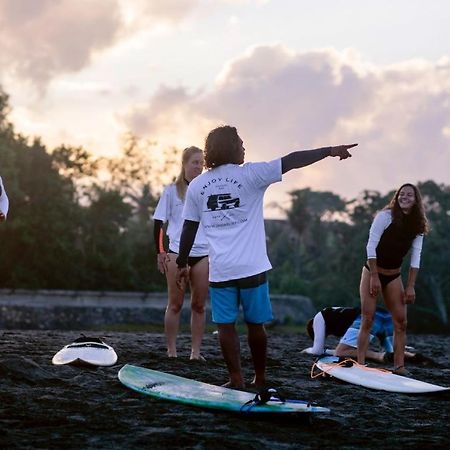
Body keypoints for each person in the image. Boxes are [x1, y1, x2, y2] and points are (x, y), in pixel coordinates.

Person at [176, 125, 357, 388]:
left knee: (225, 327)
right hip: (251, 268)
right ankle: (259, 377)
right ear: (230, 147)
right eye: (240, 143)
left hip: (222, 269)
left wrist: (182, 263)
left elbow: (189, 226)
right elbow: (293, 160)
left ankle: (235, 379)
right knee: (255, 325)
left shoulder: (198, 185)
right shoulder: (252, 174)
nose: (244, 147)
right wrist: (329, 151)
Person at [357, 183, 428, 376]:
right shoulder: (385, 217)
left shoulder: (418, 225)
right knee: (368, 319)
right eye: (401, 194)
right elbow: (371, 246)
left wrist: (411, 286)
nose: (404, 197)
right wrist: (374, 277)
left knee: (401, 322)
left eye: (409, 195)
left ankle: (399, 367)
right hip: (372, 272)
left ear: (416, 200)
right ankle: (360, 364)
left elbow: (416, 256)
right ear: (396, 197)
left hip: (394, 275)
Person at [153, 146, 209, 360]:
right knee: (175, 304)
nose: (199, 166)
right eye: (195, 162)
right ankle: (172, 350)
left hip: (203, 254)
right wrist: (160, 253)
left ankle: (195, 352)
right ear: (184, 164)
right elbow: (159, 223)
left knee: (199, 305)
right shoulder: (170, 191)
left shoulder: (206, 190)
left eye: (202, 163)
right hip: (176, 253)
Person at [302, 306, 418, 363]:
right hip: (383, 314)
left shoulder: (318, 318)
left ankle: (379, 356)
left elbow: (317, 351)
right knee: (393, 352)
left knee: (340, 352)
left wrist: (307, 350)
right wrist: (326, 351)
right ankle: (413, 356)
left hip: (367, 317)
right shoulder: (337, 315)